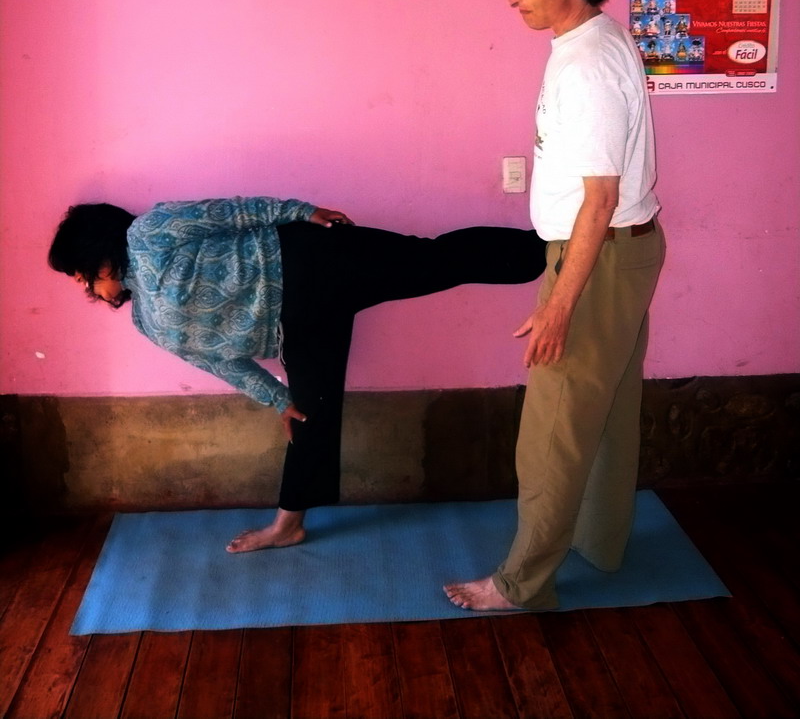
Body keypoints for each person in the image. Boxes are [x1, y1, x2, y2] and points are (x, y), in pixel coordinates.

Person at [49, 196, 546, 552]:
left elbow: (231, 213)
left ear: (98, 250)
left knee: (430, 260)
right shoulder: (144, 322)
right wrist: (274, 397)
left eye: (79, 271)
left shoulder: (148, 232)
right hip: (298, 328)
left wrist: (300, 211)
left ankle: (543, 248)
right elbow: (220, 360)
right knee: (309, 417)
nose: (82, 284)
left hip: (309, 258)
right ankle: (289, 525)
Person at [444, 0, 665, 611]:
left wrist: (557, 306)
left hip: (594, 255)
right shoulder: (590, 45)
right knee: (603, 411)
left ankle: (520, 585)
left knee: (553, 428)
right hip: (617, 252)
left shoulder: (589, 64)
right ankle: (599, 542)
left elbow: (599, 200)